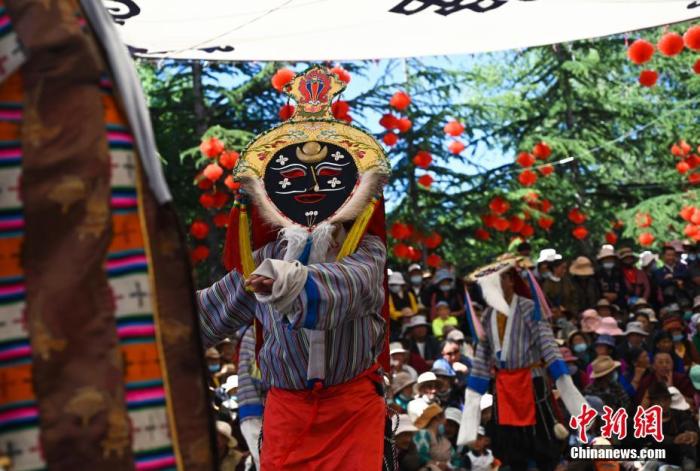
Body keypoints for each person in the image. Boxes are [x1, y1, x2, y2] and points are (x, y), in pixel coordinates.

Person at [197, 67, 393, 470]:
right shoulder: (265, 257)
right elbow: (207, 313)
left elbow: (350, 286)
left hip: (352, 411)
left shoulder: (367, 250)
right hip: (287, 413)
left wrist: (287, 280)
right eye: (291, 177)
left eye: (330, 177)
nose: (312, 188)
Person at [458, 256, 587, 470]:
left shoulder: (529, 308)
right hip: (503, 386)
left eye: (498, 280)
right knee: (510, 447)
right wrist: (474, 392)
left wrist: (561, 376)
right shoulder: (488, 315)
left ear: (511, 280)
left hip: (531, 380)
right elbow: (482, 356)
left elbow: (547, 344)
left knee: (542, 441)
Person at [643, 382, 698, 471]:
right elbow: (652, 437)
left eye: (666, 399)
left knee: (689, 466)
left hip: (679, 457)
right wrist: (674, 440)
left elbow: (687, 423)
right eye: (658, 401)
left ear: (670, 400)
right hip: (657, 457)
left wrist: (691, 433)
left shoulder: (679, 414)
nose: (663, 404)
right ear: (652, 402)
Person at [413, 404, 463, 470]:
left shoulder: (445, 441)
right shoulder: (423, 434)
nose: (448, 428)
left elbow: (456, 460)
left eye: (453, 426)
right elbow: (421, 455)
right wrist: (437, 464)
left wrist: (448, 466)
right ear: (437, 418)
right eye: (446, 423)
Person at [389, 271, 419, 341]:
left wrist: (410, 314)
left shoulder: (409, 294)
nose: (394, 286)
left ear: (401, 284)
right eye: (392, 285)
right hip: (395, 325)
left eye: (396, 284)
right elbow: (391, 311)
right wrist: (402, 314)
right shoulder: (389, 296)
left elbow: (415, 307)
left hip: (411, 321)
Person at [596, 245, 626, 310]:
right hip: (602, 302)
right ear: (601, 260)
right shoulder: (597, 273)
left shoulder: (619, 272)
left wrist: (617, 295)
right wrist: (604, 294)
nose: (609, 260)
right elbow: (595, 288)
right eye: (606, 259)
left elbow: (623, 287)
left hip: (618, 302)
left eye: (610, 259)